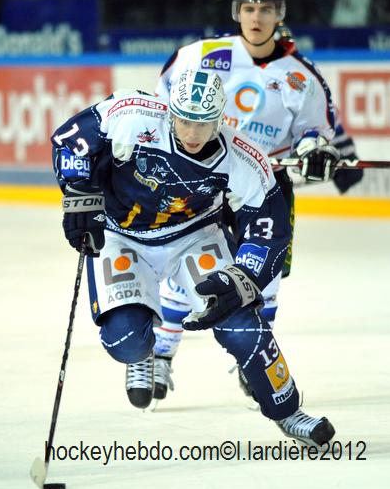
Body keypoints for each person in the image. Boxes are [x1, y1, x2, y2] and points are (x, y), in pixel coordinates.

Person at [51, 68, 335, 446]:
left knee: (240, 324)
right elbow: (69, 141)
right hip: (122, 237)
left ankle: (289, 411)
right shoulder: (130, 114)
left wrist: (245, 277)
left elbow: (270, 226)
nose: (192, 134)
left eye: (203, 123)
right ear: (169, 111)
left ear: (220, 118)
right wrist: (79, 195)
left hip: (195, 237)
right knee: (125, 341)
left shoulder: (244, 157)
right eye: (184, 120)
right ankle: (144, 353)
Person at [140, 0, 363, 404]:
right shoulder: (202, 54)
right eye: (248, 8)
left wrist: (315, 149)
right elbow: (162, 100)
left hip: (267, 183)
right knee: (191, 259)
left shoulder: (302, 76)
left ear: (279, 14)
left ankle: (252, 358)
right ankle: (162, 354)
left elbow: (315, 132)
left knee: (267, 272)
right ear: (236, 12)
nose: (256, 17)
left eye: (265, 9)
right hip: (207, 175)